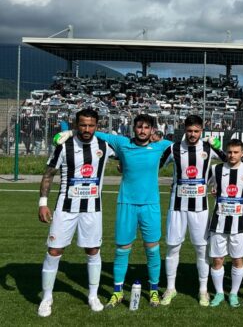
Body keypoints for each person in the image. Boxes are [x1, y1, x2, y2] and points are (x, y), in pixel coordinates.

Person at [51, 114, 175, 308]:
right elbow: (96, 133)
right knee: (122, 249)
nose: (142, 131)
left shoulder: (161, 146)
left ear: (152, 130)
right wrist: (70, 132)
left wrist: (210, 142)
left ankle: (153, 290)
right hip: (126, 204)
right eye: (139, 127)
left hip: (151, 205)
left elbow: (187, 145)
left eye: (146, 127)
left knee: (152, 248)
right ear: (133, 128)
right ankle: (117, 292)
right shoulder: (122, 143)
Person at [37, 109, 114, 317]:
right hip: (65, 208)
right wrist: (43, 203)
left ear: (97, 126)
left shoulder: (104, 146)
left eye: (91, 125)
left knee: (93, 250)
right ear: (76, 125)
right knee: (54, 251)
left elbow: (128, 150)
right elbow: (49, 174)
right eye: (83, 125)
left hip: (92, 209)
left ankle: (93, 296)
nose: (87, 129)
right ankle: (46, 298)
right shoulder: (64, 146)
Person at [158, 115, 225, 306]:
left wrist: (219, 145)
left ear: (201, 131)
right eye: (189, 131)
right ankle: (170, 288)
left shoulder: (208, 148)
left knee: (202, 249)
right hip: (177, 207)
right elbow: (155, 165)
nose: (193, 134)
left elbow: (230, 160)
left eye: (196, 131)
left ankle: (203, 290)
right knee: (173, 247)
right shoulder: (174, 148)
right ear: (184, 130)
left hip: (200, 208)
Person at [207, 139, 243, 307]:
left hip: (240, 225)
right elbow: (203, 183)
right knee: (217, 260)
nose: (232, 155)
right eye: (229, 152)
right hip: (218, 223)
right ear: (226, 153)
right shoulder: (216, 169)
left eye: (236, 152)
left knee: (237, 259)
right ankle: (219, 293)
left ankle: (233, 293)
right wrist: (213, 189)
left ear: (242, 154)